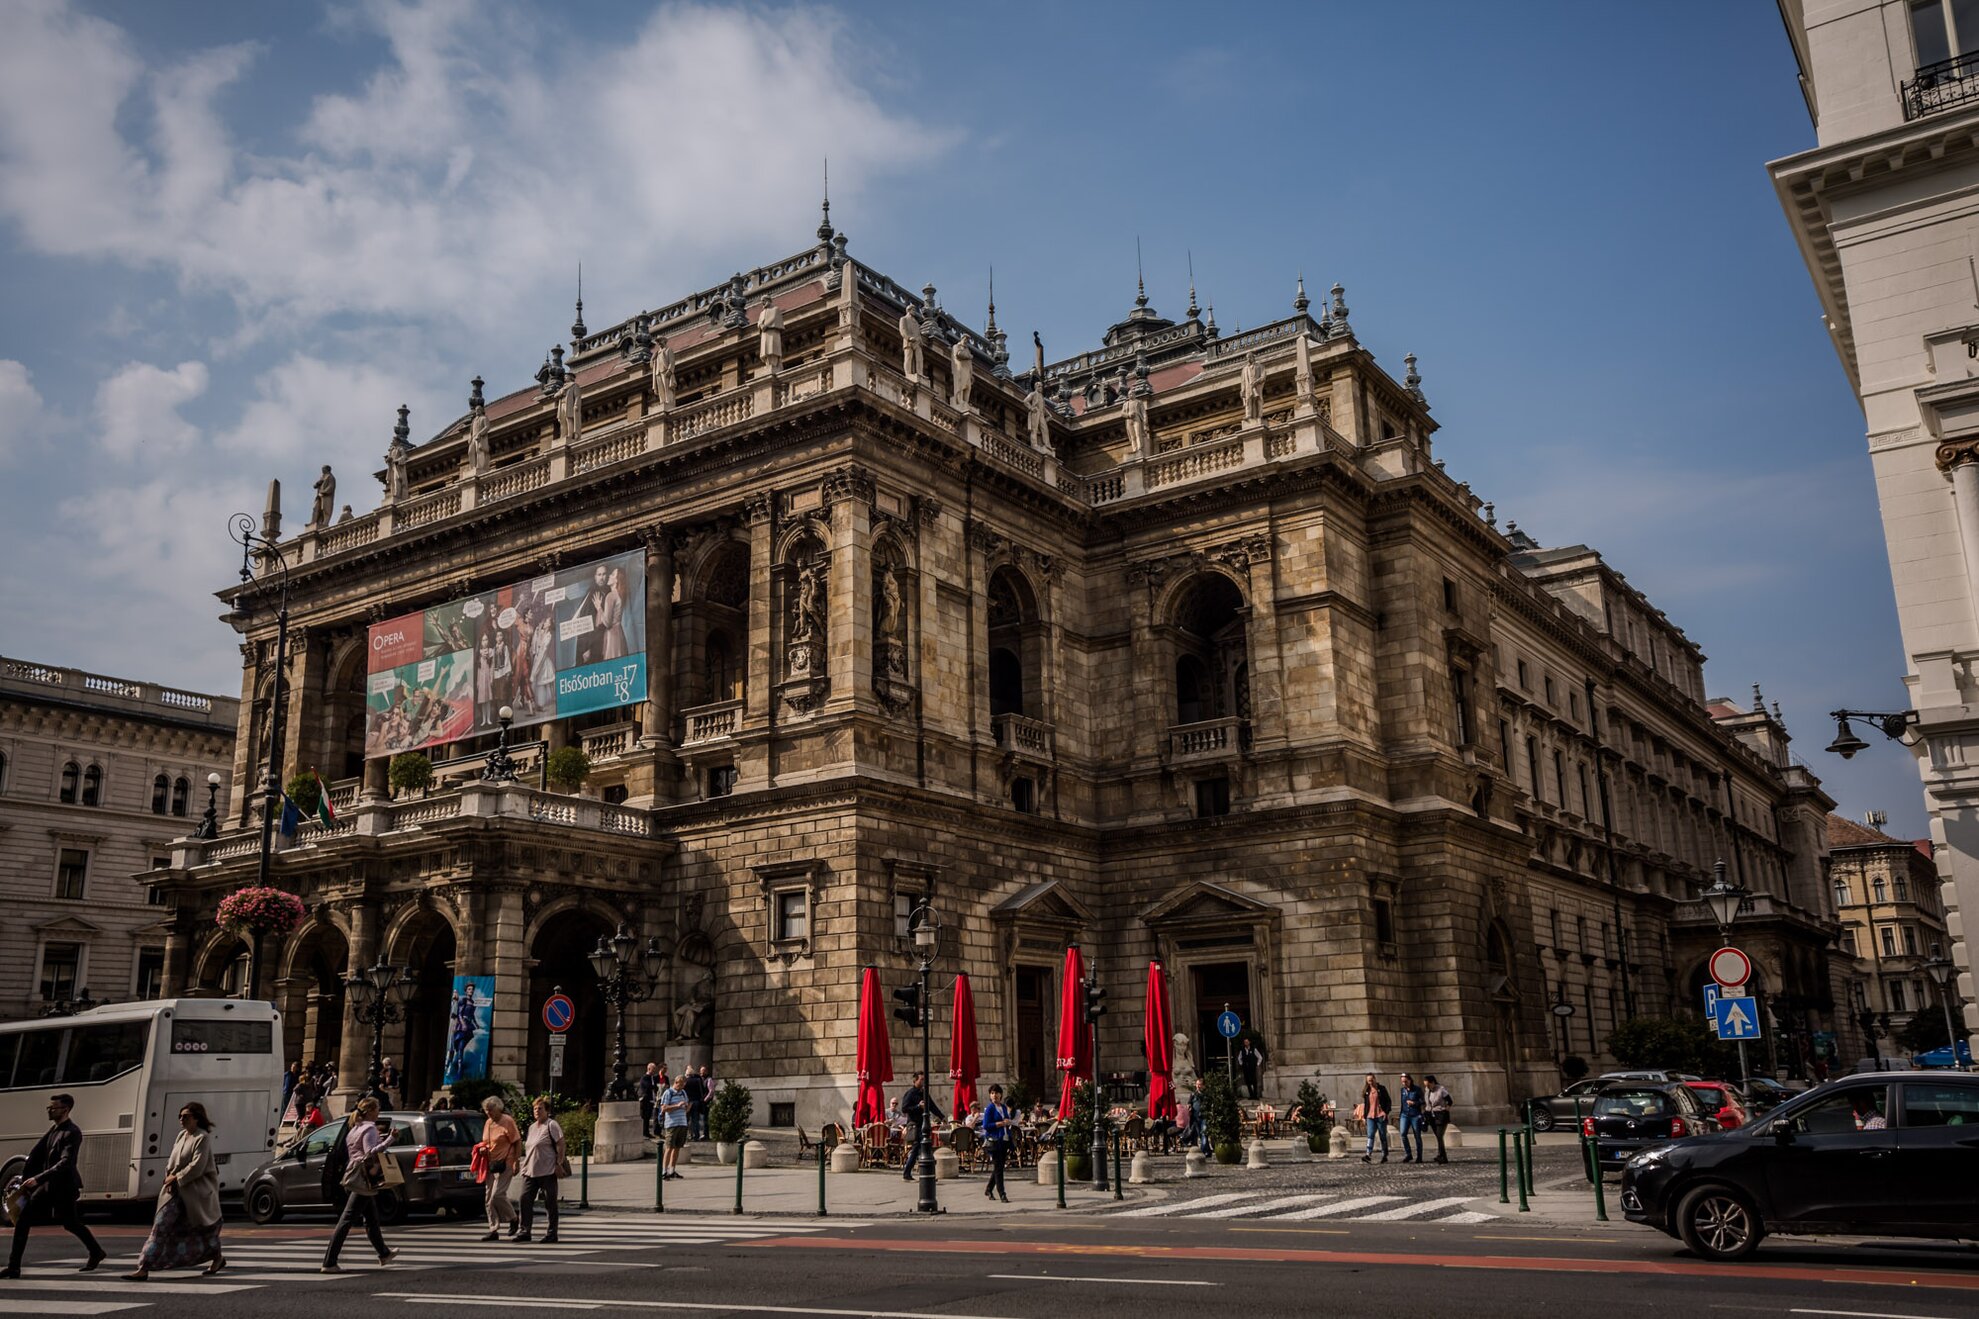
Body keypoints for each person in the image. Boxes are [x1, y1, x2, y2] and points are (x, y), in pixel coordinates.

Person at [3, 1094, 105, 1278]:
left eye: (54, 1107)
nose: (49, 1110)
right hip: (48, 1187)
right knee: (23, 1221)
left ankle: (96, 1252)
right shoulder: (54, 1130)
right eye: (49, 1107)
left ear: (65, 1109)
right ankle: (13, 1267)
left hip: (63, 1187)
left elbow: (66, 1163)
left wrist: (38, 1179)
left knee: (71, 1223)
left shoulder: (72, 1132)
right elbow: (38, 1156)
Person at [126, 1101, 224, 1280]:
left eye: (185, 1116)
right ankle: (144, 1266)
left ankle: (217, 1257)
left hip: (194, 1192)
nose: (181, 1119)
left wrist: (176, 1177)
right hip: (175, 1191)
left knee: (201, 1229)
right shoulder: (181, 1136)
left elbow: (198, 1166)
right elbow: (173, 1162)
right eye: (180, 1116)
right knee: (161, 1227)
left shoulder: (202, 1137)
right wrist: (169, 1176)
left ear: (196, 1118)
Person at [320, 1097, 398, 1273]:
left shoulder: (355, 1128)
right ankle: (329, 1262)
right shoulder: (370, 1128)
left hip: (353, 1174)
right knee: (346, 1220)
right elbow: (370, 1152)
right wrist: (390, 1140)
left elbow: (357, 1151)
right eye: (377, 1108)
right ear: (370, 1111)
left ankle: (383, 1253)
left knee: (371, 1218)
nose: (379, 1112)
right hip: (362, 1178)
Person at [513, 1097, 563, 1244]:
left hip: (547, 1170)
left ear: (547, 1111)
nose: (537, 1111)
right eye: (535, 1108)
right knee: (524, 1199)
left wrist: (558, 1163)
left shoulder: (552, 1125)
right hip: (530, 1170)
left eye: (540, 1108)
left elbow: (561, 1144)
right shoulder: (532, 1127)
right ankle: (525, 1231)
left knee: (550, 1202)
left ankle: (552, 1233)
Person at [476, 1096, 521, 1242]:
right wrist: (483, 1148)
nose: (488, 1113)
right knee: (488, 1198)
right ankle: (493, 1229)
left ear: (498, 1108)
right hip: (490, 1163)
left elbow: (517, 1141)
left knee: (498, 1195)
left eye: (491, 1110)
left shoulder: (507, 1121)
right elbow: (485, 1141)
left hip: (506, 1161)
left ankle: (513, 1218)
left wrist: (516, 1161)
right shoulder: (488, 1123)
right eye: (486, 1110)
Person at [899, 1071, 946, 1182]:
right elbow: (904, 1108)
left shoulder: (924, 1093)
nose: (923, 1082)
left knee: (918, 1150)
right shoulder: (910, 1093)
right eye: (921, 1079)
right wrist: (917, 1106)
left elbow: (932, 1106)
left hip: (924, 1125)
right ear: (915, 1081)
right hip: (916, 1125)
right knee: (925, 1148)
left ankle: (908, 1174)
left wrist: (942, 1117)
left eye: (924, 1080)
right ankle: (928, 1174)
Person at [980, 1084, 1014, 1203]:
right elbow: (986, 1126)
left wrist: (1008, 1122)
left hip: (1004, 1140)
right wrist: (1000, 1123)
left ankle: (989, 1189)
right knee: (999, 1169)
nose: (995, 1095)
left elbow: (1006, 1121)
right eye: (992, 1093)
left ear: (1001, 1094)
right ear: (990, 1095)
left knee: (999, 1167)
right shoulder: (990, 1108)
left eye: (997, 1093)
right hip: (994, 1141)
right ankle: (1002, 1193)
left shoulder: (1004, 1107)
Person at [658, 1074, 690, 1179]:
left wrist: (686, 1106)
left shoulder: (683, 1092)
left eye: (683, 1085)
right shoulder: (668, 1093)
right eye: (680, 1085)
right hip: (671, 1124)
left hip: (682, 1123)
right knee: (669, 1148)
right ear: (675, 1083)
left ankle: (672, 1170)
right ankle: (664, 1171)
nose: (681, 1087)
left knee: (677, 1148)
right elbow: (664, 1108)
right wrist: (677, 1106)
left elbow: (686, 1108)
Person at [1359, 1073, 1391, 1164]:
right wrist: (1364, 1116)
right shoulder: (1367, 1090)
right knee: (1370, 1135)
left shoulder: (1381, 1089)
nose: (1370, 1082)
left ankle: (1384, 1154)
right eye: (1368, 1080)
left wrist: (1386, 1111)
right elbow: (1366, 1105)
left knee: (1382, 1135)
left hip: (1380, 1115)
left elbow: (1388, 1101)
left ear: (1375, 1079)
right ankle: (1368, 1154)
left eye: (1372, 1080)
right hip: (1370, 1116)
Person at [1423, 1074, 1453, 1164]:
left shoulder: (1441, 1089)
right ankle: (1441, 1155)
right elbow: (1428, 1103)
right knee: (1438, 1136)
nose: (1427, 1087)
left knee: (1440, 1136)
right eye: (1426, 1085)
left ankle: (1443, 1156)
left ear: (1433, 1083)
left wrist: (1445, 1109)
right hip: (1431, 1115)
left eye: (1428, 1085)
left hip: (1440, 1115)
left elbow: (1450, 1101)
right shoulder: (1427, 1091)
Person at [1396, 1072, 1425, 1163]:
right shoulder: (1402, 1090)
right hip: (1405, 1114)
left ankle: (1419, 1156)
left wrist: (1414, 1103)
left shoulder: (1417, 1089)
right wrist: (1401, 1114)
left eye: (1405, 1081)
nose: (1404, 1083)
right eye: (1402, 1082)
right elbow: (1402, 1103)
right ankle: (1408, 1154)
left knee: (1417, 1135)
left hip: (1415, 1114)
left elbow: (1422, 1101)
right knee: (1403, 1133)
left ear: (1410, 1080)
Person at [637, 1062, 661, 1139]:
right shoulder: (645, 1077)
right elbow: (647, 1087)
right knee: (645, 1117)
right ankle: (644, 1132)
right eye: (653, 1069)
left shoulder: (652, 1078)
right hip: (645, 1100)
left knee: (648, 1116)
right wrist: (654, 1086)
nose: (654, 1071)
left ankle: (646, 1132)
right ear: (649, 1069)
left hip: (651, 1099)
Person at [689, 1065, 712, 1141]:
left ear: (707, 1072)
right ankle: (700, 1135)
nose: (701, 1072)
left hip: (706, 1102)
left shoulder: (709, 1080)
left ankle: (706, 1135)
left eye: (703, 1071)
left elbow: (711, 1091)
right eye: (701, 1071)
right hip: (700, 1102)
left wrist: (705, 1100)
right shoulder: (700, 1079)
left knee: (705, 1119)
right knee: (699, 1119)